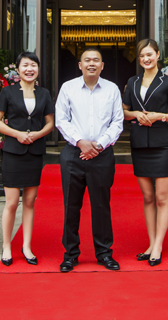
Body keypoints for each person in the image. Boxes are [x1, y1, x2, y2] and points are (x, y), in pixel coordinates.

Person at [55, 47, 124, 273]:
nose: (91, 63)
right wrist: (80, 142)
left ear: (102, 66)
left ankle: (104, 253)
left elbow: (117, 122)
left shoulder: (112, 89)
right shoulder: (68, 88)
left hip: (102, 155)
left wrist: (99, 145)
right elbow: (61, 120)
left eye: (96, 60)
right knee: (71, 206)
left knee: (101, 205)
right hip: (73, 154)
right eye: (87, 60)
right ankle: (70, 255)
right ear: (80, 65)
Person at [122, 39, 168, 267]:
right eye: (142, 56)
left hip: (161, 145)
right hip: (139, 144)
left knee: (161, 197)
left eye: (149, 54)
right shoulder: (132, 81)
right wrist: (135, 115)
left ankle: (158, 245)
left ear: (158, 55)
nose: (145, 59)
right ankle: (151, 244)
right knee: (148, 197)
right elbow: (124, 111)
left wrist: (161, 116)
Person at [0, 52, 55, 266]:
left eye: (33, 65)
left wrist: (37, 134)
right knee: (11, 203)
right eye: (25, 65)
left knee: (29, 201)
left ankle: (26, 246)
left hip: (34, 153)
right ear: (18, 69)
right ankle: (6, 246)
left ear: (38, 69)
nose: (30, 69)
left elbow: (50, 123)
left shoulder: (44, 93)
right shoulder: (7, 92)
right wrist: (17, 134)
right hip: (13, 152)